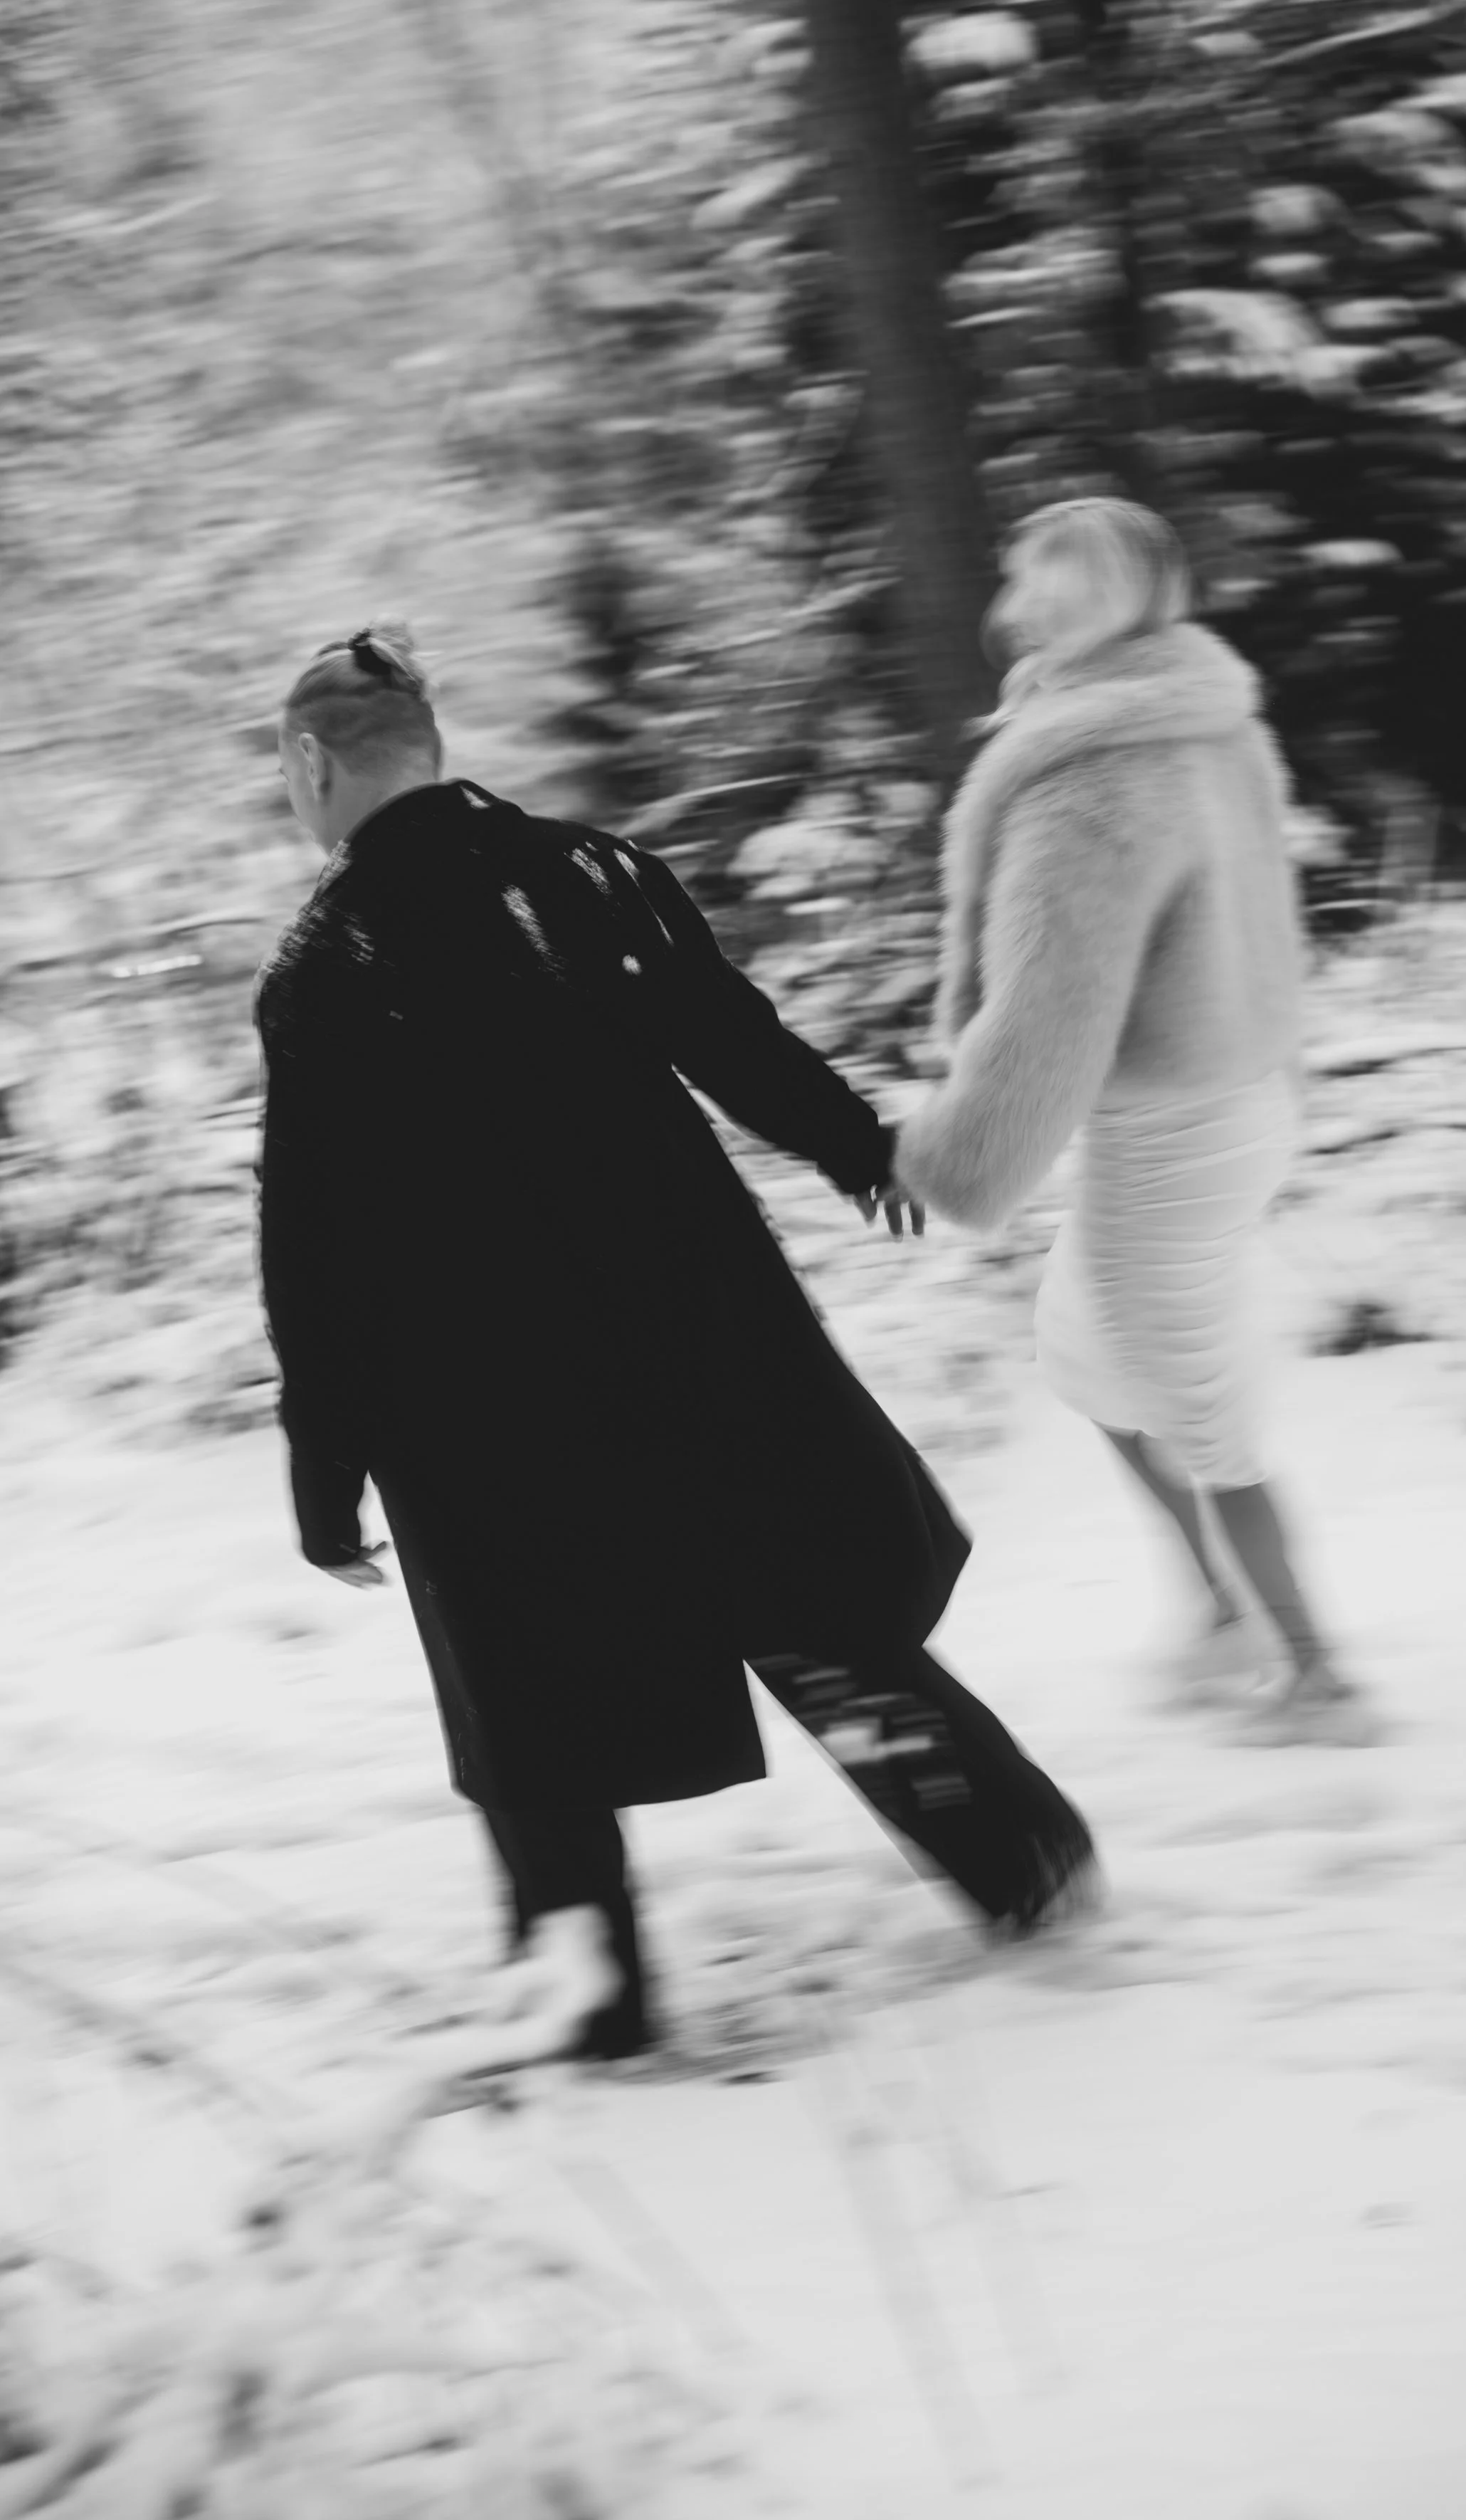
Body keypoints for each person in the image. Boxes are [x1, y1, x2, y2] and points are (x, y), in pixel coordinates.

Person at [255, 625, 1096, 2062]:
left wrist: (324, 1465)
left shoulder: (328, 962)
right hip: (688, 1313)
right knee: (803, 1600)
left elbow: (314, 1245)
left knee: (528, 1686)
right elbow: (732, 1037)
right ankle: (1019, 1852)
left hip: (479, 1388)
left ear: (315, 763)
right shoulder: (589, 874)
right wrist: (856, 1149)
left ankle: (587, 1985)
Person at [895, 501, 1377, 1744]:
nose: (1011, 599)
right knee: (1087, 1355)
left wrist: (952, 1152)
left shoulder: (1092, 770)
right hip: (1239, 1098)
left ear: (1071, 603)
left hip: (1171, 1130)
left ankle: (1316, 1675)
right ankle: (1221, 1608)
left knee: (1197, 1404)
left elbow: (1052, 1003)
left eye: (1032, 579)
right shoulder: (1203, 714)